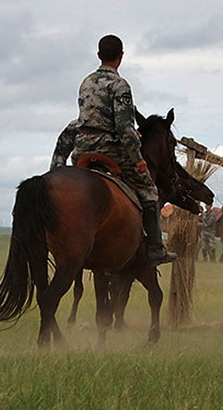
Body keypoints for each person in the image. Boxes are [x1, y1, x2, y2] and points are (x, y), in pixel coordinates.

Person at [49, 34, 175, 266]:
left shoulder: (85, 82)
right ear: (121, 56)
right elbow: (125, 127)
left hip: (82, 149)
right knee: (149, 192)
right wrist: (138, 159)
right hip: (110, 150)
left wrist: (56, 168)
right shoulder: (120, 85)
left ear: (99, 55)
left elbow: (84, 118)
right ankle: (156, 249)